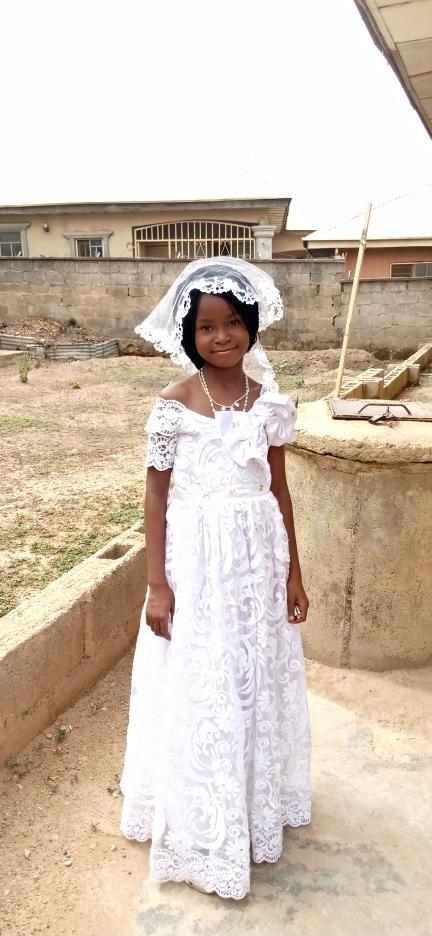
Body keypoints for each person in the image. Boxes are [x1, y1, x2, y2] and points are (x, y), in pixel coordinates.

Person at [119, 257, 311, 900]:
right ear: (189, 334)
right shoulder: (173, 406)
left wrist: (293, 574)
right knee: (205, 680)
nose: (222, 336)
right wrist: (157, 584)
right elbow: (155, 497)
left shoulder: (269, 403)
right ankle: (202, 822)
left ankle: (253, 804)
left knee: (252, 675)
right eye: (206, 327)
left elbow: (279, 490)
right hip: (197, 568)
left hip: (257, 565)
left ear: (251, 326)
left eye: (232, 323)